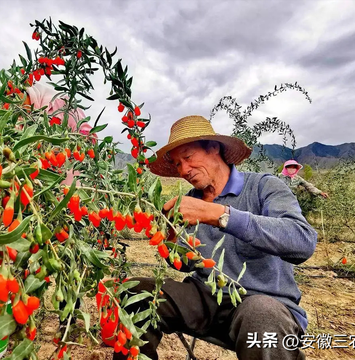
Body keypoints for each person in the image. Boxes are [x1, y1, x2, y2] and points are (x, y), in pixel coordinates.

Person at [116, 115, 316, 360]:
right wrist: (169, 235)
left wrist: (218, 214)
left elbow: (302, 242)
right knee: (137, 292)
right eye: (177, 164)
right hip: (205, 298)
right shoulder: (190, 200)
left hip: (264, 303)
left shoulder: (264, 187)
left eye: (188, 158)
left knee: (261, 314)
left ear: (214, 147)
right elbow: (185, 263)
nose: (183, 171)